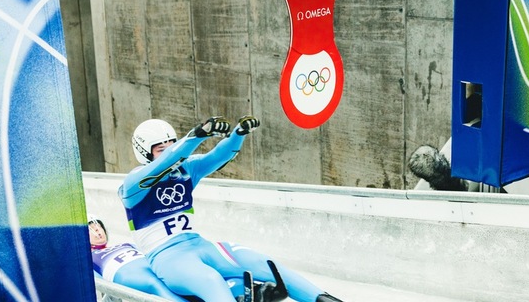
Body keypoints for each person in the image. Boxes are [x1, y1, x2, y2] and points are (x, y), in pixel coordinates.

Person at [119, 115, 342, 302]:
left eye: (171, 145)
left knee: (265, 265)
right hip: (168, 259)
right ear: (145, 153)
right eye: (160, 149)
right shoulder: (133, 185)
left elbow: (217, 156)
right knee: (211, 281)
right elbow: (167, 161)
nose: (169, 152)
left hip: (200, 245)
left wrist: (238, 134)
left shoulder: (185, 170)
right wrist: (197, 135)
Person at [89, 214, 284, 302]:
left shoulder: (126, 243)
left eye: (99, 227)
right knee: (156, 286)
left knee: (192, 278)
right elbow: (98, 287)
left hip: (152, 267)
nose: (97, 232)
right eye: (91, 229)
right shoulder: (87, 258)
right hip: (130, 276)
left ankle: (241, 291)